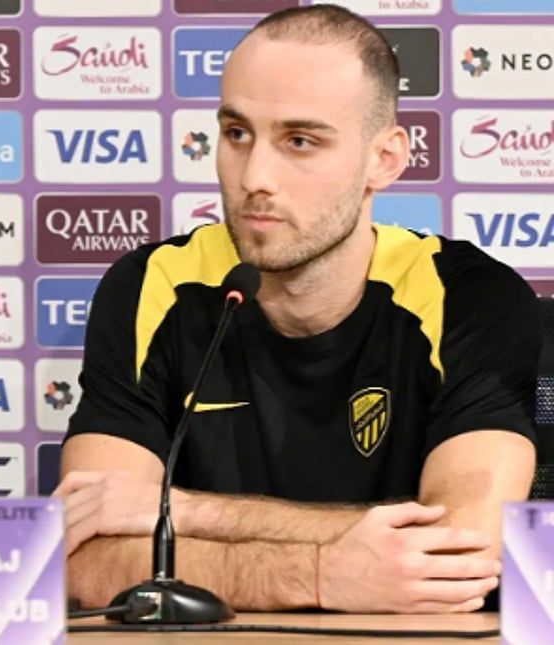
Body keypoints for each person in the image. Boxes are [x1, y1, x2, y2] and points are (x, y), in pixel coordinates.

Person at [56, 5, 539, 614]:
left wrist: (185, 512)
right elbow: (88, 558)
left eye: (300, 141)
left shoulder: (467, 295)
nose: (255, 177)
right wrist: (319, 574)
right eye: (237, 134)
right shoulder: (153, 283)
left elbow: (459, 553)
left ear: (385, 159)